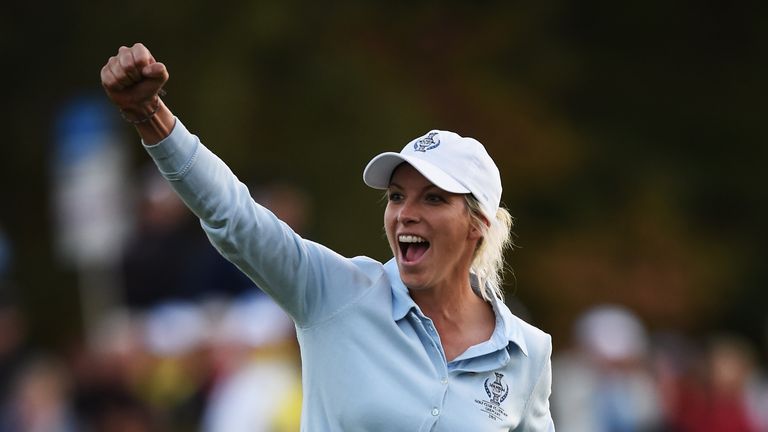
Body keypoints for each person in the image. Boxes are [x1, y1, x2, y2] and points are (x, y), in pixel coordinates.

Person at [101, 43, 555, 431]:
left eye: (433, 199)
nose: (405, 215)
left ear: (478, 224)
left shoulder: (527, 350)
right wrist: (152, 117)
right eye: (397, 196)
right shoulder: (337, 292)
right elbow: (234, 216)